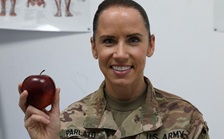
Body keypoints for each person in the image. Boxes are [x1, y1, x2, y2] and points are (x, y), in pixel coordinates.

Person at [18, 0, 210, 138]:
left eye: (133, 40)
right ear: (94, 47)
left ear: (151, 45)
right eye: (109, 41)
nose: (120, 54)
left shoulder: (186, 120)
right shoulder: (67, 124)